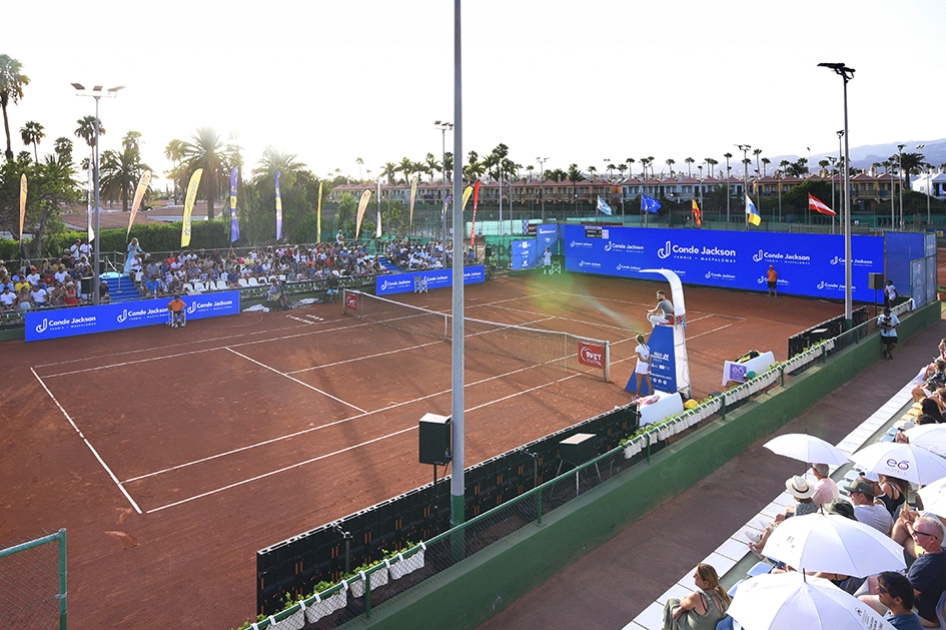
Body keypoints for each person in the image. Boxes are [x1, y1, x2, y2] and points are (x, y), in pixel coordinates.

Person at [661, 563, 729, 630]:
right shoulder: (723, 594)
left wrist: (684, 601)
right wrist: (681, 609)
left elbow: (683, 603)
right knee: (685, 610)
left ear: (706, 583)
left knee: (672, 601)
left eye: (696, 576)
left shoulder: (697, 597)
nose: (693, 577)